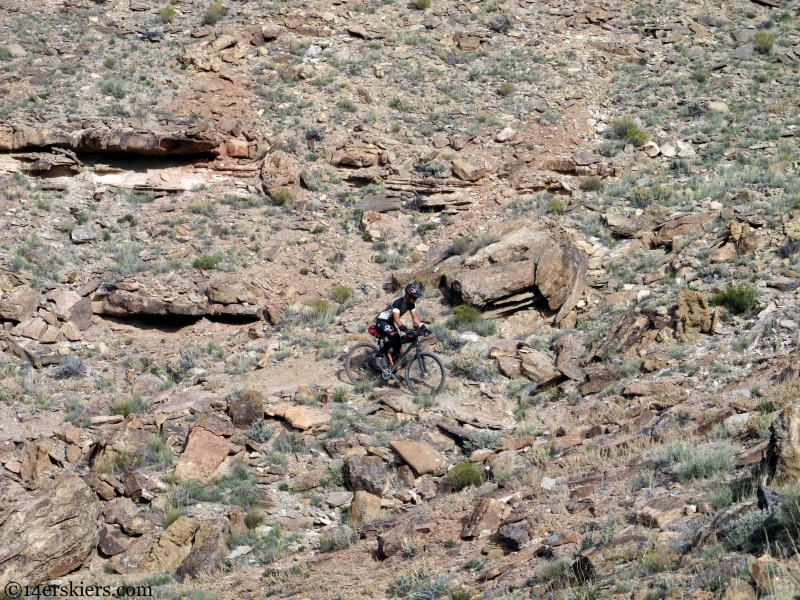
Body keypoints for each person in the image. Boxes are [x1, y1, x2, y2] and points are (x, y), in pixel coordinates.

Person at [375, 283, 426, 367]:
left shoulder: (411, 304)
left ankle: (391, 367)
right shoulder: (398, 302)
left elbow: (415, 317)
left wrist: (423, 327)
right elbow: (396, 318)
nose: (414, 300)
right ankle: (378, 354)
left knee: (398, 342)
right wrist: (404, 328)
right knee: (395, 339)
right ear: (408, 295)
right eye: (413, 297)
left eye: (416, 298)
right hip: (382, 321)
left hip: (390, 323)